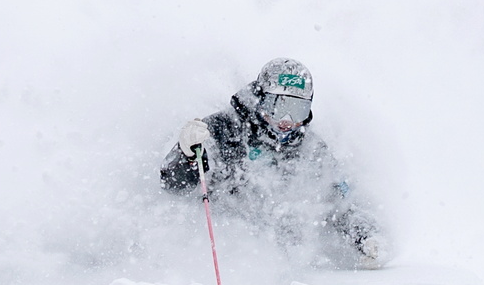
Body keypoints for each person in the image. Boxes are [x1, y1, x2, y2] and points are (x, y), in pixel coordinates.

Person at [160, 58, 387, 269]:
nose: (287, 120)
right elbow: (172, 185)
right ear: (259, 98)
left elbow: (338, 202)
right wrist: (187, 155)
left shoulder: (312, 149)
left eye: (297, 109)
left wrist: (365, 236)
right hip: (220, 252)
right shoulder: (223, 129)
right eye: (277, 106)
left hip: (287, 270)